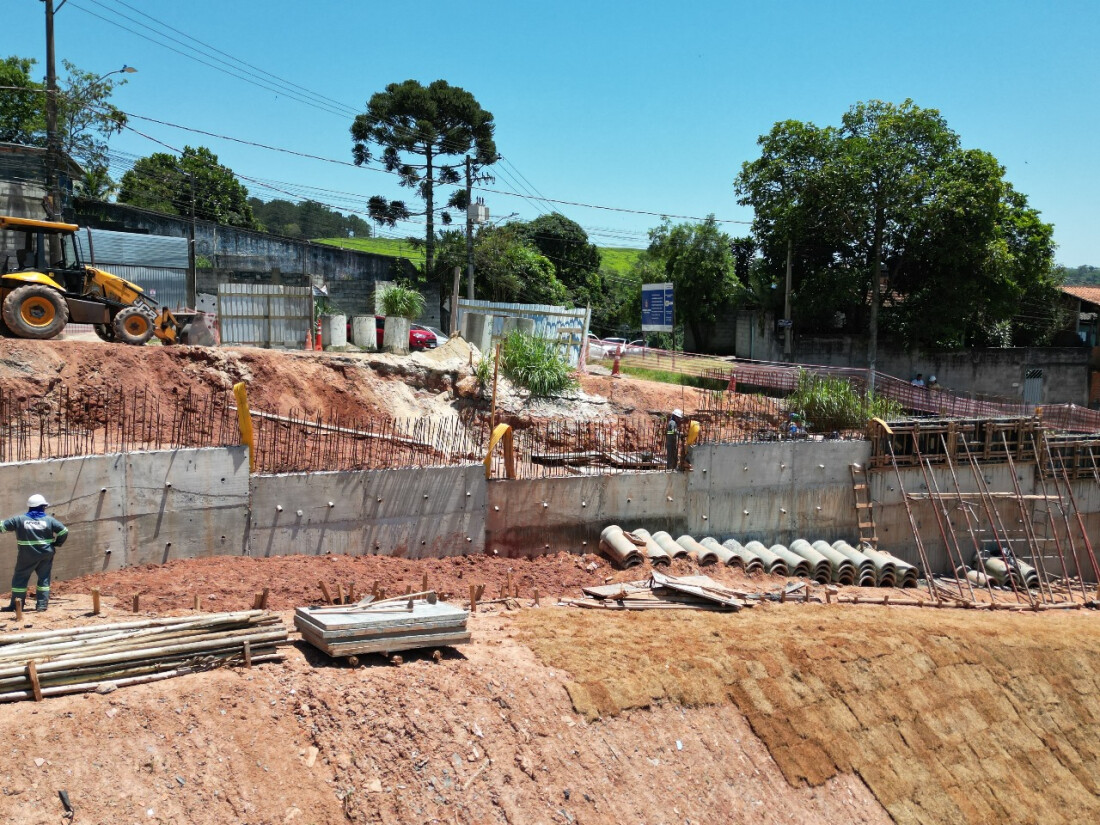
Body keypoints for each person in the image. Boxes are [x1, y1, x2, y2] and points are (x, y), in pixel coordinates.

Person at [0, 494, 68, 612]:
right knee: (44, 579)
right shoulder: (49, 520)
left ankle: (17, 605)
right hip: (46, 554)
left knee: (20, 578)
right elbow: (64, 531)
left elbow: (2, 527)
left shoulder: (19, 520)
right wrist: (57, 543)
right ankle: (41, 605)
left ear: (30, 507)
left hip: (27, 556)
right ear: (42, 507)